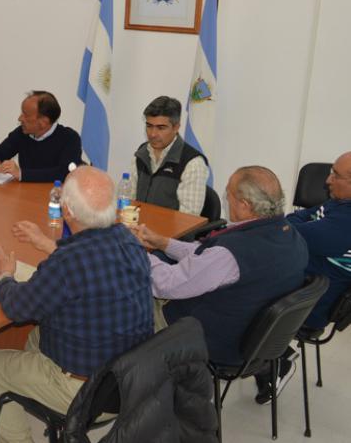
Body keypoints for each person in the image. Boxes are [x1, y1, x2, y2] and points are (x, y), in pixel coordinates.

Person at [0, 166, 153, 443]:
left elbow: (16, 308)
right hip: (130, 378)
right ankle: (38, 394)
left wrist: (4, 276)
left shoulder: (67, 263)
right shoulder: (129, 240)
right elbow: (87, 261)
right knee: (35, 336)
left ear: (67, 211)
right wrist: (48, 244)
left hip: (84, 389)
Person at [134, 166, 308, 405]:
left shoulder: (231, 253)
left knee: (131, 294)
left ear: (245, 205)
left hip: (210, 338)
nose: (226, 199)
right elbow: (207, 257)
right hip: (250, 339)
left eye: (229, 195)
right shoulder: (290, 236)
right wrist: (163, 243)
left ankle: (128, 384)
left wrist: (137, 252)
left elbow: (166, 284)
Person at [288, 152, 351, 330]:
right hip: (298, 291)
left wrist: (288, 227)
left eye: (336, 175)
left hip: (301, 308)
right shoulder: (340, 202)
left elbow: (289, 233)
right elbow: (295, 217)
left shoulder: (346, 220)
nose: (328, 180)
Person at [129, 96, 210, 215]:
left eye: (161, 128)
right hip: (138, 228)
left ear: (176, 127)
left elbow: (187, 219)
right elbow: (128, 200)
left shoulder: (193, 163)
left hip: (169, 233)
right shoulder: (141, 153)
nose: (152, 134)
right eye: (149, 126)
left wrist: (153, 233)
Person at [0, 91, 83, 182]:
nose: (20, 118)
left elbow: (65, 173)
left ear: (43, 122)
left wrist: (21, 174)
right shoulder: (21, 133)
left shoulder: (70, 138)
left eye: (26, 115)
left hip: (54, 196)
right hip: (25, 193)